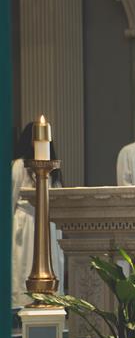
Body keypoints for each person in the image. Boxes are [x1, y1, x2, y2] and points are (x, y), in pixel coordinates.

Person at [11, 123, 64, 307]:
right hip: (25, 224)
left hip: (48, 223)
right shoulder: (19, 165)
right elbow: (11, 197)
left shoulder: (53, 169)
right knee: (22, 266)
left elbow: (58, 198)